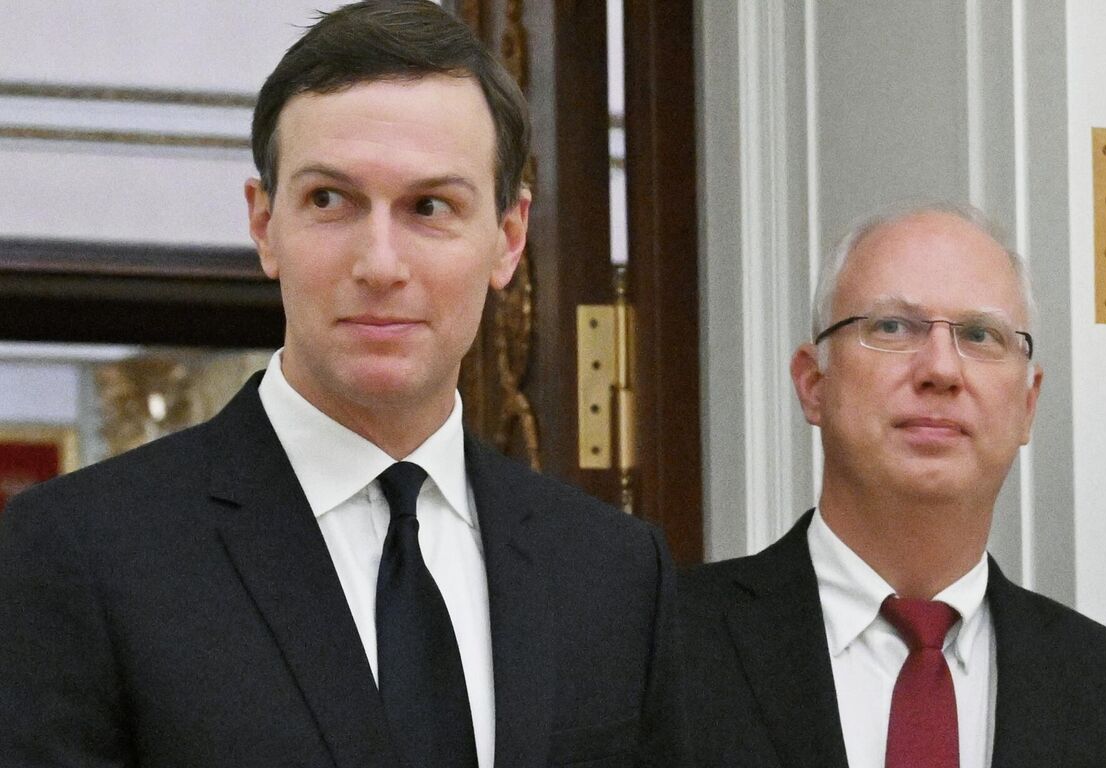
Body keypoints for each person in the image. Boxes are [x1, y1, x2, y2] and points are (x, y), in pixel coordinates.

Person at [0, 3, 680, 766]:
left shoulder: (615, 574)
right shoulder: (81, 553)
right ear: (264, 225)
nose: (380, 264)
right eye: (331, 200)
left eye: (430, 207)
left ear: (509, 239)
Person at [680, 202, 1106, 768]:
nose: (941, 369)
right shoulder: (667, 646)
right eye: (892, 327)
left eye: (979, 334)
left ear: (1027, 404)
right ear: (813, 383)